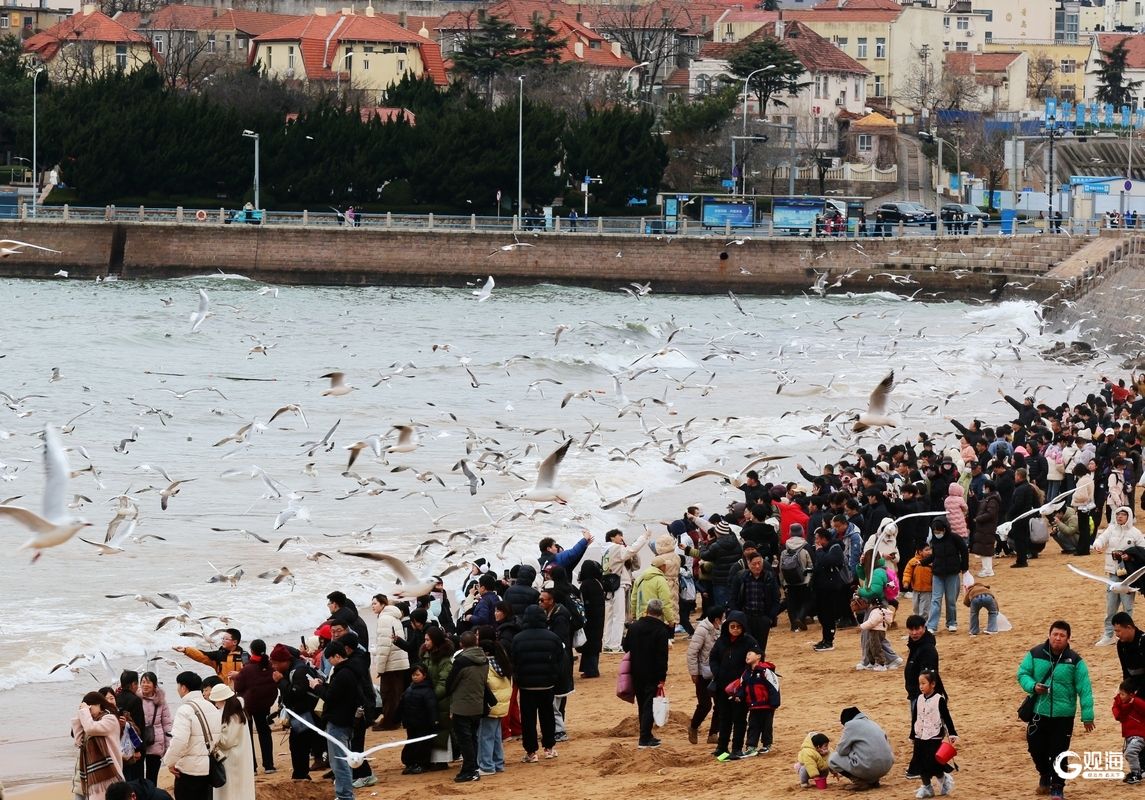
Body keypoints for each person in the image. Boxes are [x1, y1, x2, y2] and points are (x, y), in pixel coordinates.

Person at [1017, 620, 1096, 799]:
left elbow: (1085, 689)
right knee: (1035, 748)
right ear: (1049, 635)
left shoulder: (1075, 661)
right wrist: (1033, 686)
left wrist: (1087, 716)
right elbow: (1022, 673)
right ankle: (1045, 774)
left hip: (1064, 715)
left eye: (1062, 635)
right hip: (1039, 712)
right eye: (1055, 634)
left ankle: (1057, 787)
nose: (1058, 638)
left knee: (1059, 752)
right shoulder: (1035, 653)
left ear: (1068, 639)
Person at [512, 605, 564, 762]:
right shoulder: (552, 637)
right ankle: (549, 748)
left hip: (526, 686)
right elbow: (560, 660)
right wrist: (554, 677)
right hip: (547, 684)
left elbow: (514, 661)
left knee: (528, 719)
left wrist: (519, 678)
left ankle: (531, 752)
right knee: (547, 716)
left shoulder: (518, 639)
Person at [312, 642, 364, 800]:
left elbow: (330, 697)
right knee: (343, 760)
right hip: (346, 720)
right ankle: (345, 794)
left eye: (330, 659)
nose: (329, 662)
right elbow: (336, 692)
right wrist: (324, 685)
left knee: (339, 762)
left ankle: (344, 796)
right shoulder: (350, 670)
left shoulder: (343, 673)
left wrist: (316, 687)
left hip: (339, 721)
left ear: (337, 656)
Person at [161, 672, 222, 800]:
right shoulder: (211, 707)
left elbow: (179, 741)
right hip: (208, 768)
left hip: (189, 770)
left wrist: (170, 762)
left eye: (178, 686)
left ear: (184, 688)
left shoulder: (184, 710)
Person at [710, 611, 759, 761]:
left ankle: (737, 748)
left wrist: (744, 678)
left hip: (741, 688)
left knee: (739, 718)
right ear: (728, 626)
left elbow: (756, 659)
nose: (735, 629)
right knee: (724, 717)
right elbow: (713, 658)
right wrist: (718, 673)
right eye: (732, 626)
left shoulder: (749, 642)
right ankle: (722, 748)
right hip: (723, 687)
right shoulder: (721, 641)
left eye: (738, 626)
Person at [268, 644, 321, 782]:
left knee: (300, 745)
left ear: (285, 661)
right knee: (297, 744)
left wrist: (281, 681)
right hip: (299, 712)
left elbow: (297, 693)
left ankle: (301, 774)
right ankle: (300, 773)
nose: (273, 666)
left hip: (306, 713)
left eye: (275, 663)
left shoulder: (299, 671)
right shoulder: (290, 669)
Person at [624, 598, 671, 749]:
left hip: (636, 670)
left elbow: (625, 646)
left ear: (647, 610)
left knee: (642, 703)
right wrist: (662, 677)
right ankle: (644, 738)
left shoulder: (634, 627)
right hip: (653, 673)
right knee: (649, 705)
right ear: (660, 613)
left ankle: (646, 734)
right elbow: (662, 657)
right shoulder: (661, 630)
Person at [1093, 507, 1145, 645]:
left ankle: (1128, 636)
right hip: (1113, 573)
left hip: (1128, 576)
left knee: (1127, 608)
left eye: (1123, 514)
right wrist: (1097, 544)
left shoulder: (1135, 533)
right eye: (1118, 514)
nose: (1120, 517)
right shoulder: (1111, 529)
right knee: (1111, 607)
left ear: (1129, 516)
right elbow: (1102, 538)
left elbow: (1142, 551)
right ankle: (1109, 634)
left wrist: (1130, 557)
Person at [445, 630, 489, 783]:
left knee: (465, 740)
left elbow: (450, 684)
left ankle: (469, 770)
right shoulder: (484, 659)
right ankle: (473, 768)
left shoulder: (461, 661)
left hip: (462, 706)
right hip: (477, 704)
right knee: (473, 738)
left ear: (461, 644)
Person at [601, 527, 652, 652]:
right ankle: (615, 645)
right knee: (619, 616)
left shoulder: (605, 550)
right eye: (619, 535)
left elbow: (633, 562)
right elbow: (633, 549)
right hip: (618, 584)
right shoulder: (616, 548)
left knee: (609, 616)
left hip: (608, 585)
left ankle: (607, 643)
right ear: (612, 537)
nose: (622, 538)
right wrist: (644, 537)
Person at [231, 639, 277, 774]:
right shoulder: (270, 665)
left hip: (249, 705)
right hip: (265, 703)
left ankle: (252, 767)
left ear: (251, 651)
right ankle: (269, 765)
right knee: (265, 732)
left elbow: (238, 687)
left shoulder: (247, 668)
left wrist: (237, 676)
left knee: (248, 735)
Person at [911, 670, 957, 798]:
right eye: (919, 684)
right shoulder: (919, 699)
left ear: (932, 684)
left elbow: (947, 718)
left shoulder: (939, 699)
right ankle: (927, 787)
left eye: (923, 683)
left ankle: (943, 780)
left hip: (934, 735)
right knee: (920, 762)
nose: (921, 686)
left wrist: (952, 733)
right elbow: (915, 718)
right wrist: (912, 734)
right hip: (920, 735)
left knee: (933, 762)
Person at [72, 690, 125, 800]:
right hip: (93, 776)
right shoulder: (89, 721)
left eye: (90, 708)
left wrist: (84, 712)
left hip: (110, 773)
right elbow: (78, 741)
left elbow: (91, 728)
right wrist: (80, 714)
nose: (89, 711)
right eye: (87, 709)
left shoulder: (110, 719)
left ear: (99, 704)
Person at [729, 551, 781, 658]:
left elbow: (776, 599)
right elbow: (733, 598)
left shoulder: (769, 577)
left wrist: (770, 617)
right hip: (746, 618)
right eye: (754, 564)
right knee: (746, 648)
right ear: (748, 564)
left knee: (760, 649)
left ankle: (759, 667)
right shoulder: (741, 577)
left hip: (763, 618)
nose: (757, 566)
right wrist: (737, 616)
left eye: (759, 563)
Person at [827, 706, 895, 789]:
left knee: (832, 758)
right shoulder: (873, 723)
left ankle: (859, 782)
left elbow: (841, 751)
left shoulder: (851, 725)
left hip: (870, 767)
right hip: (886, 766)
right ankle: (873, 781)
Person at [370, 596, 410, 730]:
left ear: (383, 604)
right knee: (396, 694)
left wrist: (380, 668)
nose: (372, 606)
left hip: (392, 663)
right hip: (399, 661)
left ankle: (389, 722)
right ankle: (394, 720)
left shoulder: (384, 619)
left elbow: (384, 646)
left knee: (388, 694)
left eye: (375, 603)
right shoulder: (393, 616)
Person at [208, 684, 254, 800]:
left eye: (216, 701)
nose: (215, 704)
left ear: (223, 700)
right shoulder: (236, 713)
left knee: (231, 792)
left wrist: (213, 736)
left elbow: (227, 741)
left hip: (232, 760)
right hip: (236, 758)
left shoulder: (233, 716)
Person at [731, 646, 779, 757]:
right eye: (746, 654)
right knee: (753, 726)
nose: (747, 656)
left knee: (766, 726)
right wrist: (738, 695)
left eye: (750, 654)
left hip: (767, 705)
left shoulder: (765, 671)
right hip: (753, 706)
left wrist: (774, 702)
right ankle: (751, 747)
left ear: (758, 656)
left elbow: (774, 686)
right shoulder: (746, 673)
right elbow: (742, 686)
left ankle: (767, 745)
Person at [687, 605, 724, 745]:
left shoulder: (721, 629)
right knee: (705, 704)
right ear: (717, 619)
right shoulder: (701, 630)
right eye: (722, 617)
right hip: (702, 673)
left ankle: (713, 733)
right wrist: (694, 673)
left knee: (720, 704)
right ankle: (693, 727)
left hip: (717, 672)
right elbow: (692, 653)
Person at [923, 517, 968, 633]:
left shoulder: (955, 538)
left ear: (945, 529)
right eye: (935, 531)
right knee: (936, 599)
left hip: (952, 573)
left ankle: (951, 622)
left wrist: (964, 567)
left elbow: (964, 551)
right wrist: (924, 562)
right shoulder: (934, 540)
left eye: (939, 531)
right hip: (937, 574)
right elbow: (934, 555)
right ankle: (932, 625)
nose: (937, 534)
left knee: (951, 599)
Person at [421, 626, 456, 770]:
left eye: (428, 640)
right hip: (430, 698)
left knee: (442, 731)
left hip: (441, 700)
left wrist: (431, 696)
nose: (425, 643)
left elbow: (444, 682)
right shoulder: (426, 656)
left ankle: (442, 761)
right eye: (425, 640)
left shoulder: (445, 660)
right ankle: (431, 759)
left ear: (435, 640)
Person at [478, 634, 511, 776]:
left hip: (491, 706)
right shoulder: (502, 663)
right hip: (502, 705)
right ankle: (498, 763)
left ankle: (487, 766)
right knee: (496, 736)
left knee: (485, 736)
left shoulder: (486, 667)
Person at [810, 528, 848, 652]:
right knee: (821, 614)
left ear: (823, 539)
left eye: (817, 538)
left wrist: (819, 551)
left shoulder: (835, 548)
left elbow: (828, 561)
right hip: (821, 587)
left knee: (828, 615)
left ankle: (829, 640)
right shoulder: (823, 549)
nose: (815, 541)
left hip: (831, 588)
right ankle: (825, 639)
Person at [398, 664, 437, 775]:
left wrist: (434, 721)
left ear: (424, 676)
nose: (414, 677)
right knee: (411, 743)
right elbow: (401, 705)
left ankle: (422, 764)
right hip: (411, 723)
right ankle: (410, 763)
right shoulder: (409, 689)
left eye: (417, 674)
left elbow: (432, 707)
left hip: (423, 724)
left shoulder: (428, 691)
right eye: (413, 675)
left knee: (422, 744)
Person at [172, 630, 247, 684]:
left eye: (226, 639)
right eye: (223, 638)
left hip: (240, 691)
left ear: (235, 642)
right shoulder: (218, 655)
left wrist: (238, 675)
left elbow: (251, 673)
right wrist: (186, 650)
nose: (223, 641)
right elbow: (202, 656)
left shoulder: (244, 655)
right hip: (222, 691)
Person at [139, 672, 172, 786]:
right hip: (139, 742)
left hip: (156, 742)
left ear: (154, 685)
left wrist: (168, 746)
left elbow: (167, 724)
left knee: (152, 777)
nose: (145, 685)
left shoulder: (161, 701)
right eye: (143, 682)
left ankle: (151, 793)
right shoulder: (136, 699)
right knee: (138, 776)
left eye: (148, 682)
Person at [779, 524, 814, 631]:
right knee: (807, 600)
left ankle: (794, 626)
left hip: (789, 580)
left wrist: (783, 582)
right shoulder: (806, 546)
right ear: (802, 532)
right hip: (804, 580)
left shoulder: (785, 546)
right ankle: (800, 617)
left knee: (791, 603)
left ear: (790, 533)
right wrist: (810, 578)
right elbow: (811, 564)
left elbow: (781, 567)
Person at [577, 558, 606, 678]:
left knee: (588, 644)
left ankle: (591, 670)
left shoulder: (585, 585)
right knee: (594, 643)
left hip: (589, 619)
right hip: (598, 618)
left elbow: (581, 603)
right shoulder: (598, 583)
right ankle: (591, 669)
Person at [1113, 680, 1145, 784]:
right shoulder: (1120, 704)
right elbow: (1118, 716)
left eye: (1123, 694)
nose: (1120, 696)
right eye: (1120, 693)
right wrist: (1120, 701)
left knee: (1130, 752)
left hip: (1140, 735)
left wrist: (1133, 702)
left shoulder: (1137, 702)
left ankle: (1136, 774)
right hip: (1128, 736)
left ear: (1131, 695)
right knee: (1127, 753)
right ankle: (1138, 771)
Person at [972, 479, 1001, 576]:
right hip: (984, 528)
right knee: (984, 549)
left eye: (984, 487)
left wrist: (978, 519)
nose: (983, 489)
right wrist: (973, 497)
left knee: (986, 549)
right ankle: (986, 569)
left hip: (988, 527)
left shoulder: (992, 500)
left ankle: (988, 570)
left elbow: (990, 514)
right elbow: (981, 506)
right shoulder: (988, 498)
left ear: (988, 488)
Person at [1114, 612, 1145, 694]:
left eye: (1118, 631)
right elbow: (1125, 671)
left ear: (1129, 627)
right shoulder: (1121, 645)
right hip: (1134, 685)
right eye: (1115, 631)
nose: (1117, 635)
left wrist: (1138, 694)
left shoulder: (1143, 641)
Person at [903, 544, 934, 621]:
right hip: (916, 589)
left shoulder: (932, 561)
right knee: (915, 607)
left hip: (927, 590)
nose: (929, 552)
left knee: (925, 609)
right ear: (920, 552)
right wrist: (906, 582)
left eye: (930, 549)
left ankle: (923, 623)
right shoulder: (913, 561)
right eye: (926, 550)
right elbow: (907, 572)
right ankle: (916, 622)